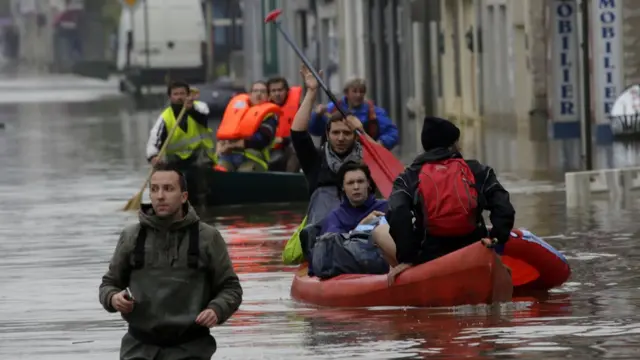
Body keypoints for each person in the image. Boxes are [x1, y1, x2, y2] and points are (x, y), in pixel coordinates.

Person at [99, 164, 243, 359]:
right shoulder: (131, 236)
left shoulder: (208, 237)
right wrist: (113, 298)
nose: (160, 196)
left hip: (191, 349)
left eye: (168, 189)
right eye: (155, 189)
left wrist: (216, 309)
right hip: (138, 350)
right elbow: (109, 284)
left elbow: (231, 288)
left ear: (184, 196)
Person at [372, 116, 516, 285]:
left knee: (379, 231)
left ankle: (407, 277)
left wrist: (408, 258)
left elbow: (398, 214)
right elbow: (504, 207)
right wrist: (495, 242)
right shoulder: (478, 170)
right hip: (476, 249)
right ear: (453, 145)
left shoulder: (408, 177)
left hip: (428, 257)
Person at [282, 65, 365, 264]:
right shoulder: (316, 160)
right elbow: (298, 134)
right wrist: (311, 92)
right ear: (327, 135)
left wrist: (363, 131)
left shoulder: (366, 159)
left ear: (355, 136)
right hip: (323, 232)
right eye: (336, 133)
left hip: (359, 230)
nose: (341, 138)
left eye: (347, 133)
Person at [308, 161, 389, 278]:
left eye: (360, 181)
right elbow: (334, 252)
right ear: (343, 187)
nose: (356, 187)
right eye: (350, 183)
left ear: (368, 184)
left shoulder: (387, 207)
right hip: (351, 271)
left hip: (383, 264)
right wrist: (362, 228)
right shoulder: (335, 217)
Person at [308, 78, 399, 149]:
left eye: (362, 91)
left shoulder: (375, 112)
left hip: (364, 159)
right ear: (346, 93)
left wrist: (382, 143)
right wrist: (317, 116)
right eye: (355, 91)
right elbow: (314, 130)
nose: (358, 95)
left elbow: (392, 133)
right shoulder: (331, 108)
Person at [146, 80, 216, 166]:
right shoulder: (164, 117)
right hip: (176, 162)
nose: (179, 97)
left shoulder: (200, 106)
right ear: (170, 97)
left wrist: (191, 109)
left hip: (202, 159)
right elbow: (154, 140)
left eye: (182, 93)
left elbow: (204, 116)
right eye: (175, 94)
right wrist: (153, 157)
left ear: (188, 95)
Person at [216, 81, 279, 172]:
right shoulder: (238, 111)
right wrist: (220, 146)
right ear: (249, 95)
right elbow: (223, 131)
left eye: (263, 91)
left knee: (244, 176)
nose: (259, 94)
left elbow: (261, 140)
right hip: (228, 156)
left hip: (254, 159)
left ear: (268, 97)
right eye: (255, 91)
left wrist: (232, 145)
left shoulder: (270, 117)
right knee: (218, 173)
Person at [267, 76, 302, 172]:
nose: (277, 94)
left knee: (297, 147)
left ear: (287, 91)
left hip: (287, 148)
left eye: (280, 90)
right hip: (267, 149)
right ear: (269, 93)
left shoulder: (298, 109)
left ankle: (289, 182)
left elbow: (302, 133)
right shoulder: (261, 109)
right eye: (273, 91)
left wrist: (283, 140)